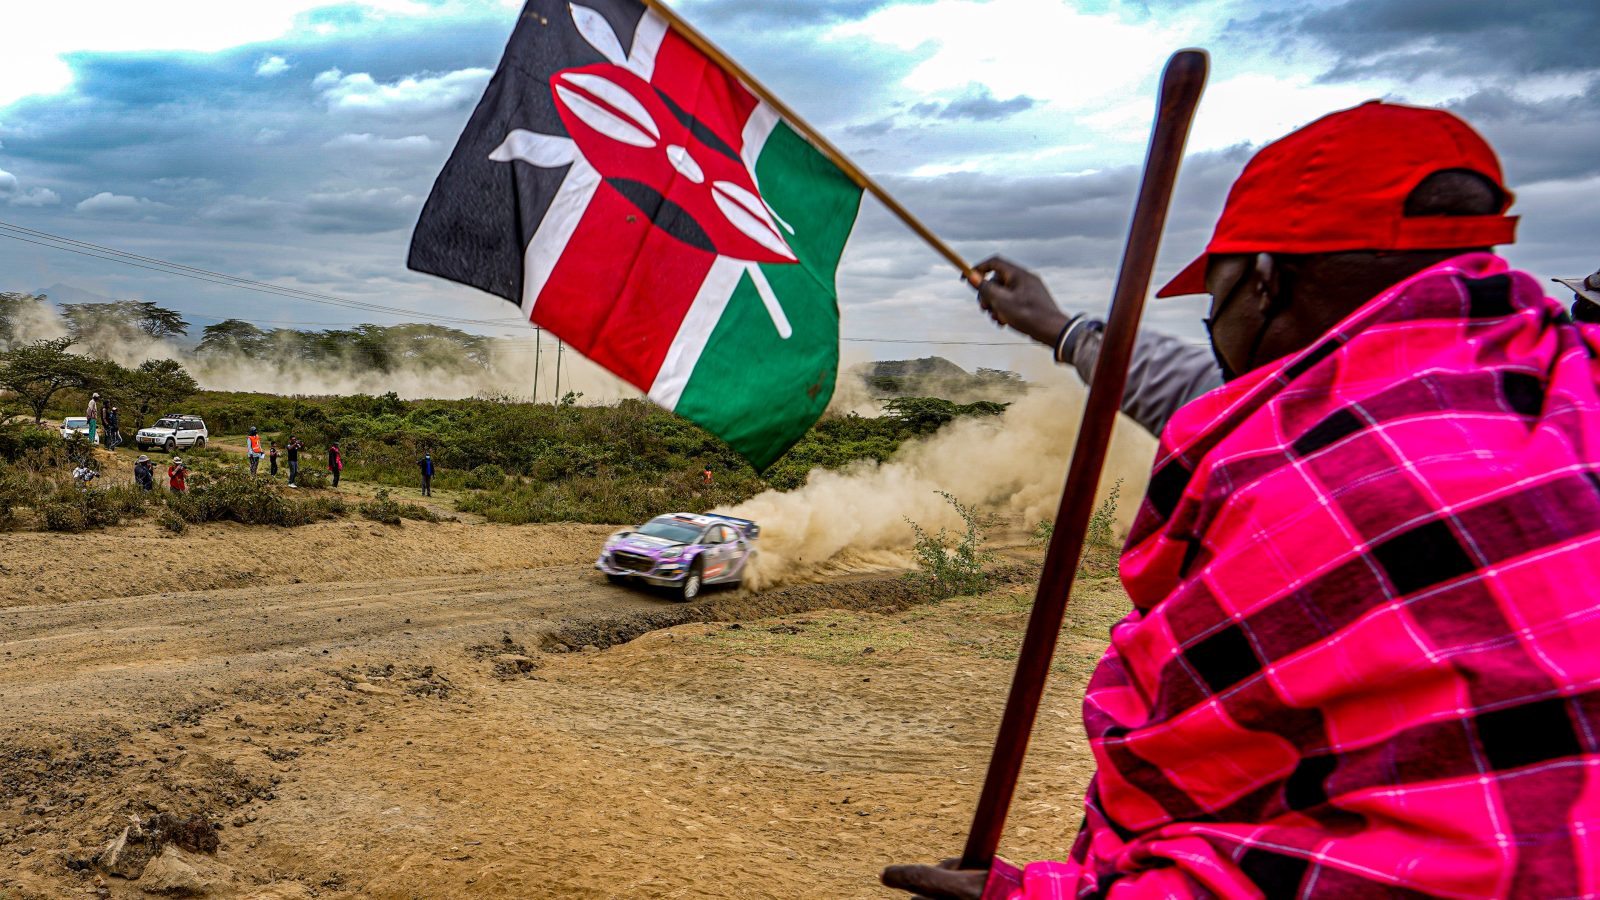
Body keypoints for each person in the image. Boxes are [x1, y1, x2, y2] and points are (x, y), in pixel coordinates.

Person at [885, 101, 1600, 899]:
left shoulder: (1311, 488)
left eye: (1214, 297)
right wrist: (1060, 327)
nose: (1211, 323)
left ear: (1265, 280)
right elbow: (1212, 391)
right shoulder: (1560, 386)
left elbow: (1348, 866)